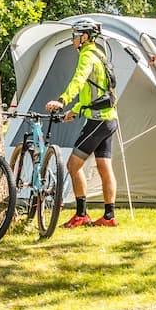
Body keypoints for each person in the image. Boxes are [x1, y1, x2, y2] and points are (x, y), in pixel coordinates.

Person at [45, 17, 119, 227]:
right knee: (105, 167)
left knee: (73, 165)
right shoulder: (100, 54)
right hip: (109, 119)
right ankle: (108, 216)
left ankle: (81, 214)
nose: (72, 40)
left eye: (75, 36)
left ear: (85, 37)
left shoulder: (87, 56)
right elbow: (94, 92)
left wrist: (62, 100)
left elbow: (78, 81)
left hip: (96, 121)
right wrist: (76, 110)